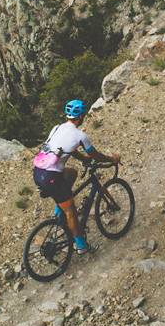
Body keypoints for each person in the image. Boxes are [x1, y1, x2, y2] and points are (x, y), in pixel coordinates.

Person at [32, 98, 120, 255]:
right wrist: (111, 159)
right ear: (81, 116)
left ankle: (59, 209)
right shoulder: (80, 135)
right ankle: (81, 245)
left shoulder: (57, 128)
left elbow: (69, 149)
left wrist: (84, 160)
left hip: (38, 171)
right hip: (51, 177)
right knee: (71, 211)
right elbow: (95, 154)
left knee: (71, 173)